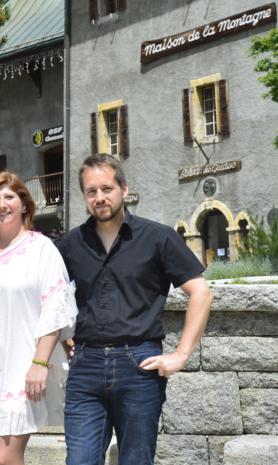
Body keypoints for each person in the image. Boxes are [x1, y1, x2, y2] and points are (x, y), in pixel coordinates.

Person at [57, 154, 213, 465]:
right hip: (85, 367)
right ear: (84, 197)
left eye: (107, 188)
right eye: (91, 191)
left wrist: (181, 354)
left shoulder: (157, 237)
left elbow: (201, 293)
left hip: (140, 363)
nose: (100, 198)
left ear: (124, 189)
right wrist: (65, 340)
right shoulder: (70, 244)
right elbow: (51, 300)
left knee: (136, 461)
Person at [0, 171, 78, 465]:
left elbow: (56, 309)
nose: (2, 204)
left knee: (5, 457)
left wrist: (40, 364)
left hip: (21, 371)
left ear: (24, 204)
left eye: (9, 197)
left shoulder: (40, 249)